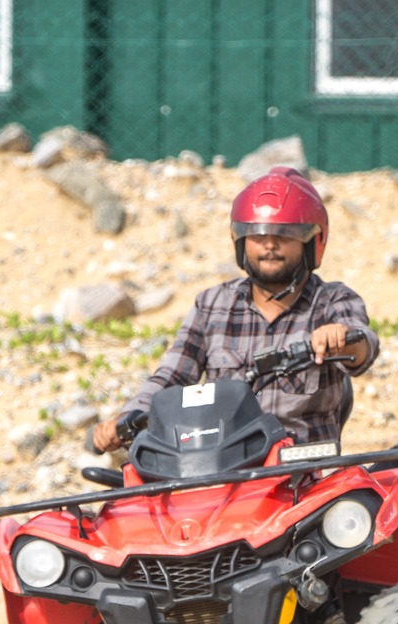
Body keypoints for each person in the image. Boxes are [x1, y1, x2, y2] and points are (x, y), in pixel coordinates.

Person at [94, 167, 378, 451]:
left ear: (312, 240)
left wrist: (340, 337)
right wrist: (128, 416)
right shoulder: (212, 305)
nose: (269, 244)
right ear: (240, 240)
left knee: (360, 496)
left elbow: (362, 347)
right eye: (257, 234)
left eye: (285, 233)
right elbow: (173, 377)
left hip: (305, 476)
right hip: (224, 469)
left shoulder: (333, 300)